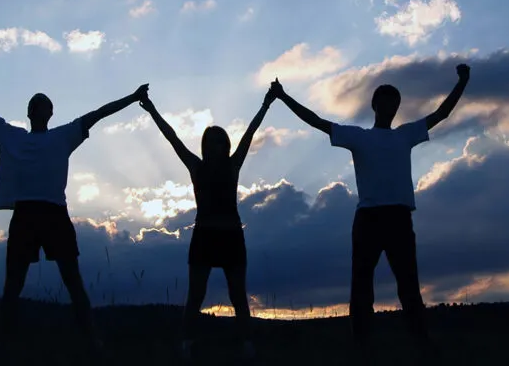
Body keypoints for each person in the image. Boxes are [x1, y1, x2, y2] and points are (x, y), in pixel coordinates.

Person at [0, 68, 149, 350]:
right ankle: (6, 341)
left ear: (50, 112)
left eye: (45, 104)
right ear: (29, 111)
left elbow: (100, 113)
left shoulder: (63, 136)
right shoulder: (12, 136)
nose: (40, 107)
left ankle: (90, 339)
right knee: (14, 283)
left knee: (72, 280)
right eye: (36, 103)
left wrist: (133, 97)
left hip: (54, 214)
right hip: (25, 215)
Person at [270, 64, 471, 361]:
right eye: (385, 100)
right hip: (369, 219)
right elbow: (317, 121)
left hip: (399, 218)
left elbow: (442, 114)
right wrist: (284, 97)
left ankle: (421, 342)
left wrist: (462, 81)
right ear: (375, 105)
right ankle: (362, 344)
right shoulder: (359, 137)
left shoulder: (405, 135)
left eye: (395, 101)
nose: (391, 105)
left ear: (397, 107)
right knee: (362, 285)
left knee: (408, 284)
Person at [138, 86, 276, 362]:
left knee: (238, 296)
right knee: (195, 296)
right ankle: (187, 345)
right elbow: (172, 138)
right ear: (205, 146)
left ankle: (247, 346)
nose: (215, 145)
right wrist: (151, 109)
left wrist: (266, 104)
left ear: (225, 144)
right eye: (210, 141)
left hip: (231, 236)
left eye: (219, 140)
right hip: (204, 236)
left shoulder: (233, 164)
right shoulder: (196, 166)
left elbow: (250, 133)